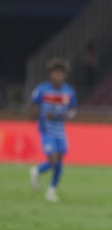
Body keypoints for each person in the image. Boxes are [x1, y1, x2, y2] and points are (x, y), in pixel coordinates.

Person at [29, 58, 78, 202]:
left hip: (60, 130)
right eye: (55, 73)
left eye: (61, 73)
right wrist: (41, 114)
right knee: (54, 159)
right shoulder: (42, 89)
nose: (58, 76)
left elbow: (73, 110)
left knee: (60, 160)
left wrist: (67, 115)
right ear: (51, 74)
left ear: (65, 75)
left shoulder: (69, 91)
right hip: (47, 129)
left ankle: (51, 190)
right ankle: (37, 171)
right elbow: (33, 105)